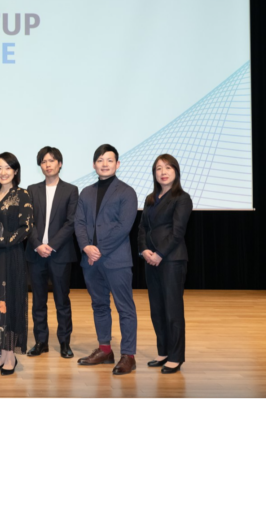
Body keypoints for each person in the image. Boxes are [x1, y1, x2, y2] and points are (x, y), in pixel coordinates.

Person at [74, 144, 138, 375]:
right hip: (90, 261)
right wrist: (86, 247)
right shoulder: (86, 192)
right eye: (100, 160)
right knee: (99, 305)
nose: (104, 164)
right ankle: (104, 350)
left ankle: (128, 355)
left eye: (109, 160)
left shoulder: (127, 192)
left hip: (116, 260)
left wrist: (97, 250)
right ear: (94, 165)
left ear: (117, 164)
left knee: (125, 308)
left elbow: (124, 227)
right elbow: (79, 223)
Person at [0, 152, 33, 375]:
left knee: (8, 302)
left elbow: (25, 227)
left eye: (8, 168)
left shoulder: (22, 194)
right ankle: (1, 353)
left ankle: (11, 356)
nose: (3, 172)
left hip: (10, 257)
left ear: (15, 171)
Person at [138, 154, 192, 374]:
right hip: (150, 260)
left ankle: (176, 357)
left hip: (171, 260)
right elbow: (142, 228)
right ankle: (163, 352)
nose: (163, 172)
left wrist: (159, 254)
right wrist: (144, 250)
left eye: (168, 167)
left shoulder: (182, 198)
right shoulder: (150, 199)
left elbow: (178, 232)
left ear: (176, 171)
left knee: (172, 309)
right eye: (159, 168)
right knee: (157, 309)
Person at [25, 146, 79, 359]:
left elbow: (71, 222)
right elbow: (27, 221)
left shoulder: (71, 190)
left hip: (60, 254)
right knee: (38, 301)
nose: (48, 165)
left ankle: (65, 342)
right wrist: (38, 244)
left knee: (62, 301)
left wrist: (52, 245)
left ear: (60, 164)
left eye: (52, 161)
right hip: (36, 253)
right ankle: (41, 342)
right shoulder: (31, 190)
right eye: (44, 161)